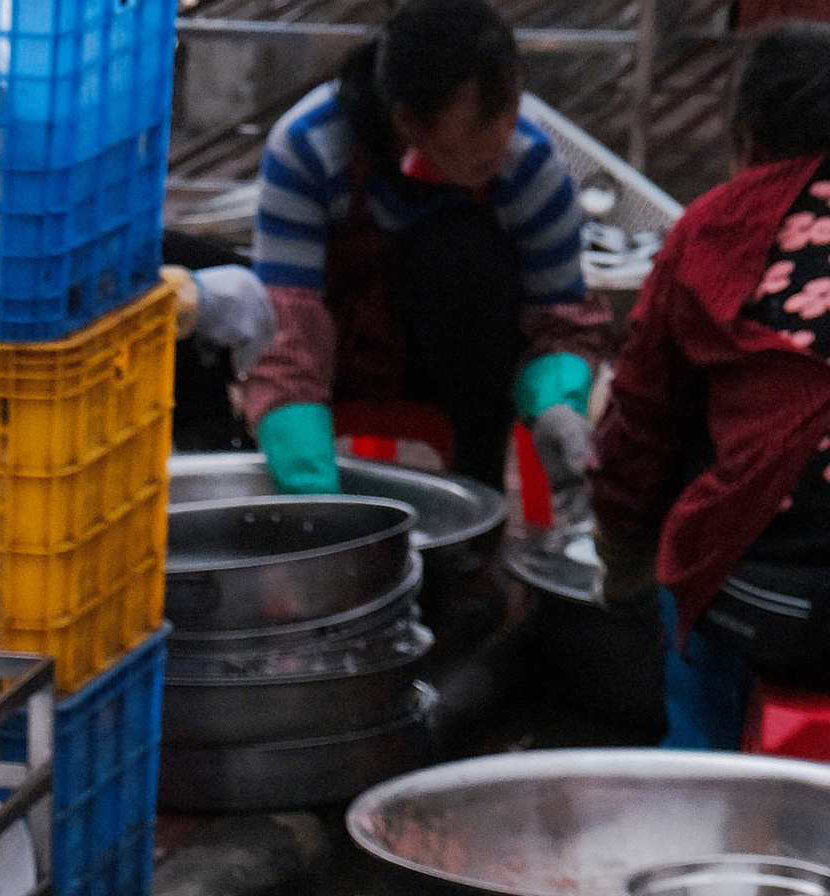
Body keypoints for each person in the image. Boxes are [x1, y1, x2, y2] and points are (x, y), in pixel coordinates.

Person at [240, 0, 598, 496]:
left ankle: (477, 499)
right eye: (479, 124)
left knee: (464, 256)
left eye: (509, 111)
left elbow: (560, 320)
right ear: (408, 121)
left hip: (458, 371)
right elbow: (284, 329)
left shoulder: (533, 168)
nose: (500, 139)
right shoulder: (308, 148)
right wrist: (318, 501)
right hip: (336, 354)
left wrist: (558, 403)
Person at [591, 25, 830, 754]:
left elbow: (639, 421)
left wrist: (624, 565)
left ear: (747, 137)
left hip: (781, 604)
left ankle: (702, 781)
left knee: (703, 472)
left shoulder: (715, 229)